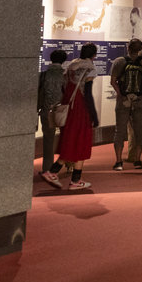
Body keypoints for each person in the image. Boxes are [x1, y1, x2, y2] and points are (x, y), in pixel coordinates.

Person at [40, 43, 100, 190]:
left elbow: (64, 86)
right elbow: (87, 94)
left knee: (73, 140)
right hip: (80, 109)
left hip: (69, 107)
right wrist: (93, 115)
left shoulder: (72, 65)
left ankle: (74, 178)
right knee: (81, 141)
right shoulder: (90, 68)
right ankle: (57, 173)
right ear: (94, 55)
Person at [110, 38, 142, 170]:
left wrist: (121, 94)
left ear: (127, 47)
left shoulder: (119, 61)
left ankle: (118, 161)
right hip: (139, 101)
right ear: (140, 49)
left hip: (123, 101)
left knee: (120, 130)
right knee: (139, 129)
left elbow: (113, 81)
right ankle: (137, 160)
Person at [36, 49, 67, 169]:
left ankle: (47, 168)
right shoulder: (65, 75)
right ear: (63, 61)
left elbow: (38, 93)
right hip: (62, 111)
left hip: (46, 110)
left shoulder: (43, 75)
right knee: (66, 138)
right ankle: (68, 164)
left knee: (48, 140)